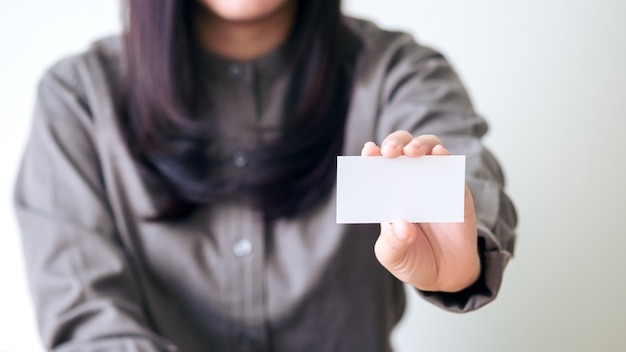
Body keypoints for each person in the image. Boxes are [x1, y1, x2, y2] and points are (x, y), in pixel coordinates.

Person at [13, 0, 517, 351]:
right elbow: (88, 320)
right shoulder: (79, 98)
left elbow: (462, 164)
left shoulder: (395, 71)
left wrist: (462, 258)